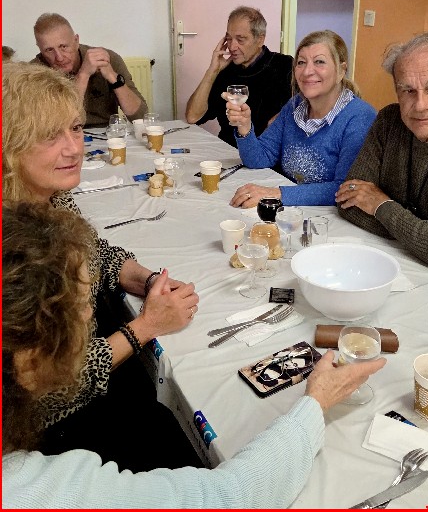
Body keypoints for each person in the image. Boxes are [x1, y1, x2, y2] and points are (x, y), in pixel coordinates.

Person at [2, 201, 387, 508]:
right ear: (30, 361)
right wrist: (316, 403)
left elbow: (100, 256)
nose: (92, 316)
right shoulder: (33, 489)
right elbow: (229, 497)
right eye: (83, 308)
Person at [2, 61, 202, 471]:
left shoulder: (50, 197)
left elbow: (99, 252)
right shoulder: (15, 247)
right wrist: (146, 326)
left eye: (75, 128)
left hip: (97, 367)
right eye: (49, 135)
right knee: (177, 441)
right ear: (10, 145)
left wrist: (148, 280)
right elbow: (44, 389)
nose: (73, 148)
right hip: (51, 429)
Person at [335, 31, 428, 289]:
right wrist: (424, 238)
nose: (420, 105)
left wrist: (380, 204)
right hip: (401, 263)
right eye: (408, 90)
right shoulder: (388, 122)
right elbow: (347, 202)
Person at [227, 30, 377, 208]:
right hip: (289, 210)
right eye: (301, 62)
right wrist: (244, 127)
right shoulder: (294, 106)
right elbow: (258, 159)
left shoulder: (360, 117)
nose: (307, 71)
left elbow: (346, 190)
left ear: (341, 71)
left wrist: (276, 194)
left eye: (319, 62)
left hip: (328, 217)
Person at [185, 6, 293, 148]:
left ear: (260, 39)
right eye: (229, 39)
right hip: (229, 149)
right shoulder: (225, 70)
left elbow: (305, 110)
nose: (232, 47)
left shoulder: (284, 65)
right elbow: (193, 117)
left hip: (267, 152)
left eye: (240, 40)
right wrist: (212, 71)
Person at [31, 12, 148, 127]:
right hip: (63, 135)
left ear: (76, 41)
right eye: (49, 50)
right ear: (40, 49)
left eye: (64, 47)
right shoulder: (33, 73)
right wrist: (84, 74)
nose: (59, 57)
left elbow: (141, 117)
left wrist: (113, 78)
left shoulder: (106, 58)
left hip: (107, 133)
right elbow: (59, 124)